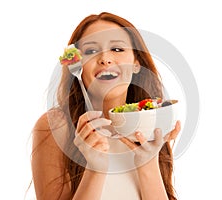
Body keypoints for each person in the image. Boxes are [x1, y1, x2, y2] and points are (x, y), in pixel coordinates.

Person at [31, 12, 181, 200]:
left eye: (117, 49)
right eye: (91, 51)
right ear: (77, 65)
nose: (105, 59)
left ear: (136, 64)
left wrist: (148, 163)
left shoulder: (150, 125)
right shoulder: (55, 126)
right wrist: (95, 169)